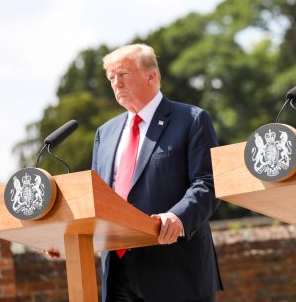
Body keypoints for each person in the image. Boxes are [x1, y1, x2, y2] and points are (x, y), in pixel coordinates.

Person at [92, 43, 222, 301]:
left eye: (123, 74)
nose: (116, 83)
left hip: (173, 268)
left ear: (151, 76)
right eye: (111, 78)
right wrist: (64, 237)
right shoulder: (104, 134)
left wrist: (177, 216)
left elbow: (208, 184)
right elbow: (96, 198)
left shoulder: (192, 120)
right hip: (117, 272)